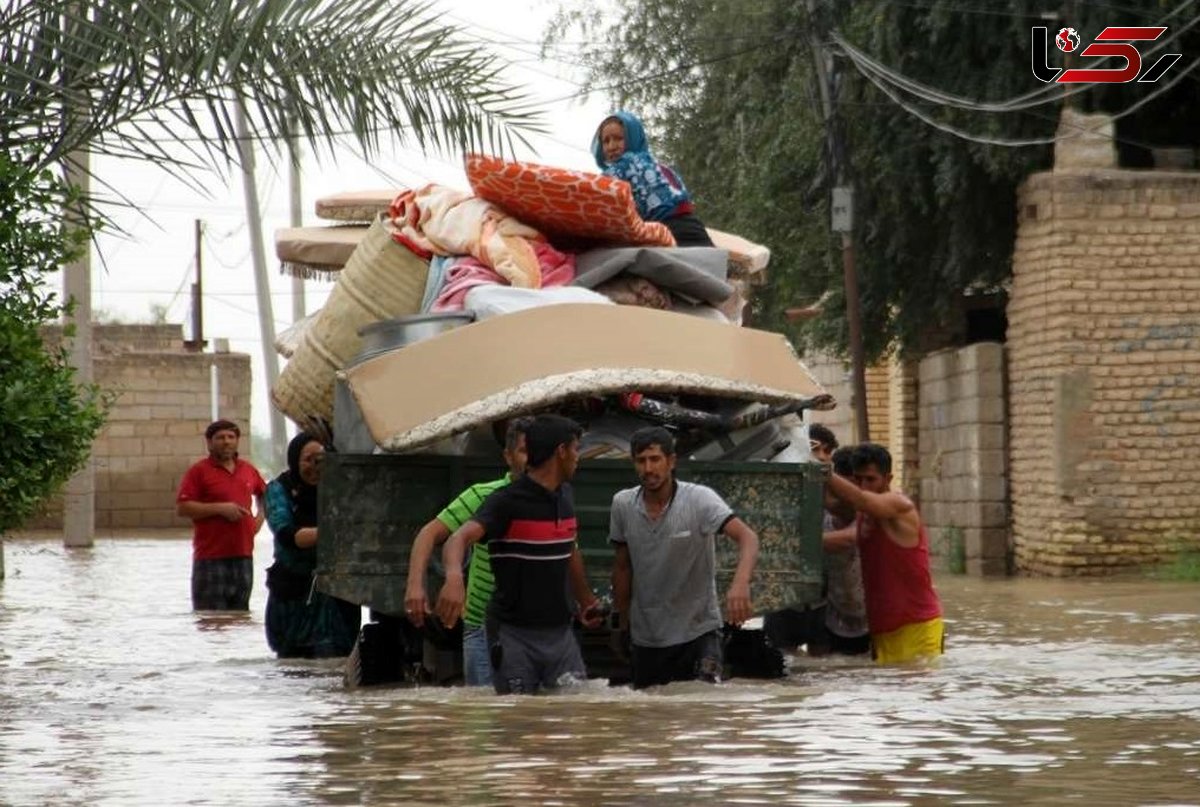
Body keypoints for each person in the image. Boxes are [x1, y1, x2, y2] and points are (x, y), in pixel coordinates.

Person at [433, 414, 603, 695]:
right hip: (513, 637)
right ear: (560, 452)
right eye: (575, 449)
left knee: (572, 721)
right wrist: (453, 579)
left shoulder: (566, 496)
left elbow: (568, 549)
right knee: (516, 724)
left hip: (561, 636)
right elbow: (457, 538)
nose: (578, 457)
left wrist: (586, 601)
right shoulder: (505, 501)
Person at [609, 426, 760, 689]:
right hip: (648, 637)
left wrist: (740, 584)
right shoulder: (623, 504)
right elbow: (622, 567)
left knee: (702, 706)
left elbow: (748, 538)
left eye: (655, 459)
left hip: (699, 632)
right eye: (641, 461)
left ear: (671, 461)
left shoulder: (699, 499)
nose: (648, 469)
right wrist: (621, 623)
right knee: (650, 718)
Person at [403, 417, 532, 686]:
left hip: (532, 629)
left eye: (538, 451)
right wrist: (416, 586)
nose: (532, 460)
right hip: (483, 627)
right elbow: (428, 534)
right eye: (524, 451)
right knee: (483, 719)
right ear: (508, 457)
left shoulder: (556, 500)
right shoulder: (484, 495)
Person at [826, 442, 944, 663]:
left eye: (871, 479)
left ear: (888, 479)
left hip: (916, 626)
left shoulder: (899, 504)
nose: (864, 486)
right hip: (883, 631)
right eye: (859, 480)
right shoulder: (864, 516)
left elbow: (860, 499)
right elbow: (833, 510)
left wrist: (822, 471)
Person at [763, 433, 870, 657]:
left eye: (827, 451)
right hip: (790, 601)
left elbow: (852, 533)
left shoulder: (861, 505)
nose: (821, 457)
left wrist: (789, 543)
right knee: (788, 662)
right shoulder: (787, 494)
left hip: (829, 607)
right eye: (815, 450)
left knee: (825, 663)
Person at [263, 432, 361, 658]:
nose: (315, 467)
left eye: (321, 460)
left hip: (337, 596)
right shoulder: (279, 489)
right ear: (294, 460)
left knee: (337, 662)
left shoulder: (339, 489)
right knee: (294, 666)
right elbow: (287, 534)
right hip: (293, 593)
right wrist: (332, 532)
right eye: (308, 460)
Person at [176, 419, 266, 611]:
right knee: (210, 620)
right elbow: (183, 507)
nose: (226, 442)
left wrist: (257, 521)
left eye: (231, 437)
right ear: (209, 443)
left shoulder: (248, 470)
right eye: (220, 438)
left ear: (237, 441)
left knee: (240, 618)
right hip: (210, 558)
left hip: (243, 557)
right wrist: (220, 509)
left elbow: (266, 496)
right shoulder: (198, 472)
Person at [591, 110, 715, 247]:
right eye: (606, 141)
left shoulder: (622, 167)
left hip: (669, 232)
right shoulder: (657, 166)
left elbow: (595, 193)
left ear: (632, 137)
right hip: (694, 227)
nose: (611, 146)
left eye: (618, 139)